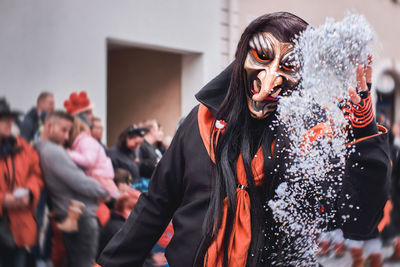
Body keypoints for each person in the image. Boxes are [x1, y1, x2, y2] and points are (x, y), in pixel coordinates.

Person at [98, 12, 390, 266]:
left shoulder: (311, 141)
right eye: (262, 57)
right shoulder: (201, 123)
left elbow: (359, 222)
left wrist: (363, 130)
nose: (270, 77)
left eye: (289, 66)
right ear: (241, 60)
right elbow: (156, 204)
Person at [35, 111, 108, 267]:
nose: (67, 137)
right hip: (81, 218)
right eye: (64, 130)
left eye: (68, 131)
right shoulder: (52, 151)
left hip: (72, 217)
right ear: (48, 126)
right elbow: (79, 181)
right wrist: (103, 189)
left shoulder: (42, 149)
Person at [0, 98, 44, 267]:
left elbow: (37, 174)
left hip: (20, 227)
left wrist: (30, 193)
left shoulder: (23, 147)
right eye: (3, 119)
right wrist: (3, 200)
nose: (9, 123)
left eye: (10, 119)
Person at [68, 116, 119, 198]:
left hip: (102, 182)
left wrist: (69, 154)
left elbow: (88, 161)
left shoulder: (86, 141)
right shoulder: (81, 142)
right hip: (100, 182)